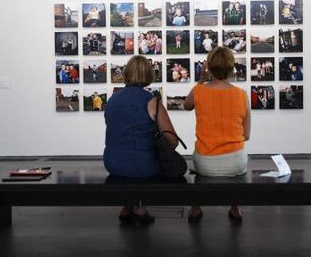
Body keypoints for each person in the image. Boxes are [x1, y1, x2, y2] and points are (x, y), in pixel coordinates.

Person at [104, 55, 178, 224]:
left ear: (127, 73)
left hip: (112, 163)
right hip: (142, 165)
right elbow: (172, 140)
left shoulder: (112, 100)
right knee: (145, 160)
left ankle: (127, 205)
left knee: (131, 157)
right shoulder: (151, 101)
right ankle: (140, 208)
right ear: (148, 74)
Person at [184, 46, 251, 223]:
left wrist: (201, 81)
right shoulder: (242, 95)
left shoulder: (199, 91)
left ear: (208, 67)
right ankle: (235, 208)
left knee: (198, 167)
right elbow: (247, 135)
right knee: (238, 167)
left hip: (205, 161)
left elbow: (186, 105)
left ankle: (195, 207)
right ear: (231, 68)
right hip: (235, 162)